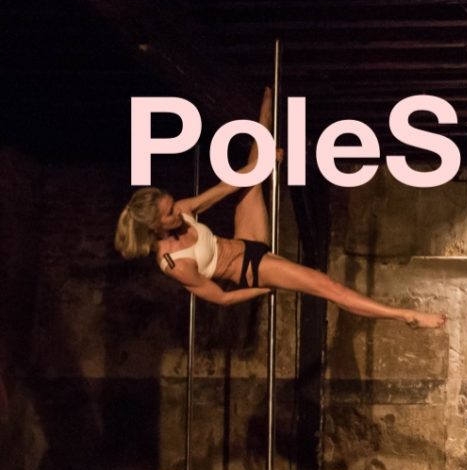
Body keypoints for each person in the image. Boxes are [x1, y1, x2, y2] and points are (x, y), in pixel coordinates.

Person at [114, 88, 446, 329]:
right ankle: (406, 315)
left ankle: (266, 105)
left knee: (252, 174)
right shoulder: (175, 264)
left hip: (246, 238)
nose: (177, 212)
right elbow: (222, 298)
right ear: (154, 226)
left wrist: (262, 166)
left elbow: (226, 187)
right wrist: (263, 289)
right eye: (169, 214)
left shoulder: (183, 212)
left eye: (173, 205)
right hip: (252, 270)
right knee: (326, 286)